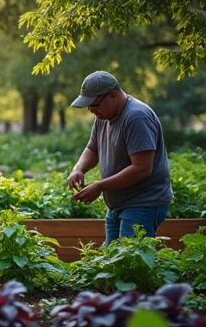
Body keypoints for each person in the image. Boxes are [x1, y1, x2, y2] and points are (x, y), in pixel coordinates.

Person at [66, 71, 173, 243]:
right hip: (118, 204)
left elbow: (142, 168)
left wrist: (100, 186)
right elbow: (92, 148)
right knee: (111, 261)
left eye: (94, 104)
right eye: (88, 106)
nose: (92, 111)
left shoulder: (136, 117)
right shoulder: (103, 116)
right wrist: (78, 169)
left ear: (113, 95)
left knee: (131, 262)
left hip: (142, 203)